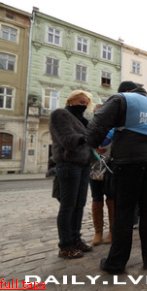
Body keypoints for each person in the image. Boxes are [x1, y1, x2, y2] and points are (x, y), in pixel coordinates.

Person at [87, 81, 147, 273]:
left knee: (124, 213)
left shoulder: (121, 99)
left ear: (125, 91)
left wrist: (91, 144)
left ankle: (116, 262)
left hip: (129, 164)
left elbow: (98, 125)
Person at [49, 89, 93, 259]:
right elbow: (67, 140)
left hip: (83, 165)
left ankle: (76, 239)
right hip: (68, 164)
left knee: (79, 204)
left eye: (86, 103)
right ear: (70, 101)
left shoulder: (84, 121)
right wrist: (87, 137)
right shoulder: (60, 114)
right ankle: (65, 245)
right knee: (68, 206)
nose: (83, 105)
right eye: (80, 101)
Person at [89, 105, 114, 246]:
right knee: (96, 198)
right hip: (94, 168)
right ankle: (98, 232)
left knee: (111, 199)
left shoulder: (113, 129)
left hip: (110, 168)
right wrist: (93, 148)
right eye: (96, 113)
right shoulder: (90, 128)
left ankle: (112, 231)